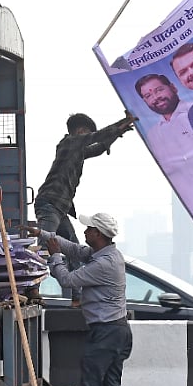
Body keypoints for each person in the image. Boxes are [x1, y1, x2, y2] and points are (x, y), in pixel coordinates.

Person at [28, 213, 147, 386]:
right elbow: (74, 249)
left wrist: (54, 256)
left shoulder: (103, 264)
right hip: (116, 331)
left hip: (106, 333)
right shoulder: (104, 254)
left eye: (90, 228)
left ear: (99, 234)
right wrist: (43, 234)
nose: (85, 231)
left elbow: (67, 279)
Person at [34, 112, 136, 304]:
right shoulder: (69, 143)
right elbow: (95, 139)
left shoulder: (76, 150)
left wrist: (116, 134)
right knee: (44, 245)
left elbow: (98, 148)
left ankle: (77, 298)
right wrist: (121, 124)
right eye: (87, 134)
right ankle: (31, 287)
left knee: (73, 247)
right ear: (81, 131)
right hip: (50, 202)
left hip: (60, 207)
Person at [134, 74, 191, 161]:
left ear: (173, 88)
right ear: (145, 101)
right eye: (148, 96)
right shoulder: (153, 135)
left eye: (159, 90)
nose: (156, 97)